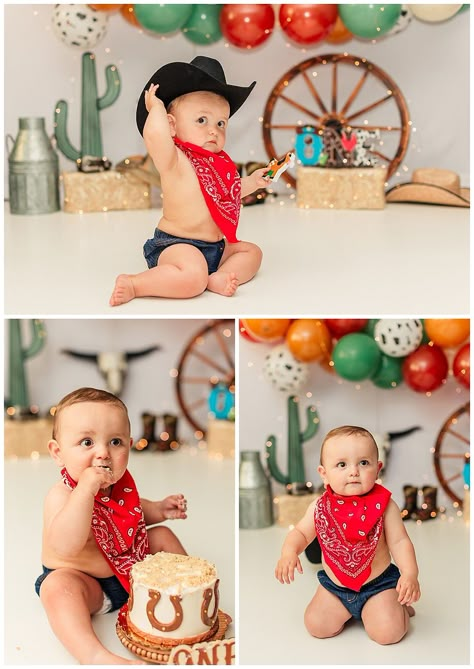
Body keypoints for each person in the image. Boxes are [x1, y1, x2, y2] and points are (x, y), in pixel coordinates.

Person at [35, 387, 188, 664]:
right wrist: (85, 491)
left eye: (115, 442)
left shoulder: (119, 489)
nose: (103, 453)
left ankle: (190, 599)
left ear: (129, 445)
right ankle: (94, 655)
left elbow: (133, 513)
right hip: (89, 585)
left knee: (163, 535)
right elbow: (66, 545)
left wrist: (159, 509)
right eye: (86, 443)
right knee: (57, 587)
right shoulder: (62, 495)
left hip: (131, 573)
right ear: (58, 453)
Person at [110, 56, 268, 306]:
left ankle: (220, 275)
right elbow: (156, 137)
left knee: (251, 252)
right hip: (177, 245)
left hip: (215, 248)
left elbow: (231, 192)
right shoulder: (174, 160)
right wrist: (158, 110)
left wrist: (254, 182)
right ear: (172, 126)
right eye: (202, 120)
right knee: (193, 279)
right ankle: (134, 283)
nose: (213, 130)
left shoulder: (218, 166)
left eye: (221, 123)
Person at [275, 426, 420, 645]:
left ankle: (396, 608)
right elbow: (301, 533)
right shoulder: (319, 507)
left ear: (378, 468)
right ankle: (355, 611)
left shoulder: (385, 506)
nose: (353, 471)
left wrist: (409, 573)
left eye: (363, 463)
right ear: (324, 474)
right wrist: (289, 552)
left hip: (377, 585)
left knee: (388, 634)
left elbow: (400, 542)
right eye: (342, 464)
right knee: (315, 625)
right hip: (336, 588)